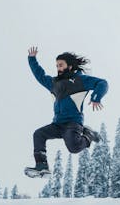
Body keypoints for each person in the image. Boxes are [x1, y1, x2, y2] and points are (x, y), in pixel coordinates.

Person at [26, 46, 109, 176]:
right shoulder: (53, 83)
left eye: (61, 65)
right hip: (58, 124)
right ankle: (41, 166)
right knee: (39, 134)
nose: (58, 68)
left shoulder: (80, 80)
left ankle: (88, 135)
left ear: (70, 66)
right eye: (57, 66)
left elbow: (102, 83)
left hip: (73, 122)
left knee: (73, 147)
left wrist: (96, 97)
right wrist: (32, 59)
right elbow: (40, 75)